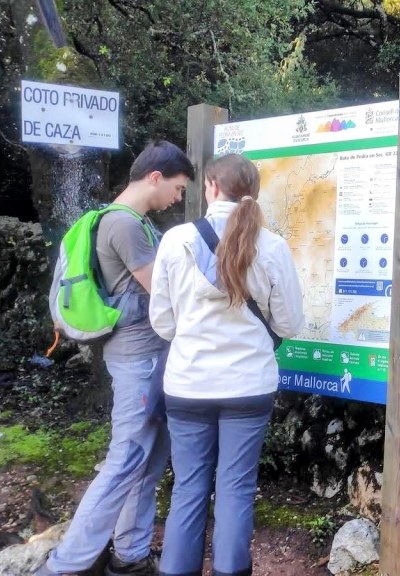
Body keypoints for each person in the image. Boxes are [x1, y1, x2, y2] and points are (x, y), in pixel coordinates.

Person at [38, 141, 194, 576]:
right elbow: (164, 293)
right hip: (138, 361)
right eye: (178, 189)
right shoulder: (125, 226)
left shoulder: (130, 222)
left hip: (147, 358)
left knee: (146, 461)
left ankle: (130, 555)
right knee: (125, 459)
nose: (177, 199)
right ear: (155, 177)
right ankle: (64, 566)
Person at [148, 153, 303, 576]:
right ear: (252, 192)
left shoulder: (175, 240)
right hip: (248, 387)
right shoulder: (270, 246)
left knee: (188, 488)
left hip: (186, 386)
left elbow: (162, 324)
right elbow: (289, 322)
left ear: (211, 186)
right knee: (235, 488)